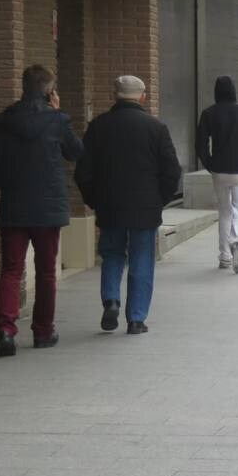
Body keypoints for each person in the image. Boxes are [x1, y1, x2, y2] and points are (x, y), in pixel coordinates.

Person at [0, 65, 83, 356]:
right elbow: (76, 152)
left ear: (24, 87)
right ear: (50, 91)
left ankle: (6, 330)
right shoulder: (57, 120)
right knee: (46, 271)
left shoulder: (3, 122)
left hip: (13, 206)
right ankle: (43, 332)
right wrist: (59, 114)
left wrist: (7, 183)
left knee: (11, 269)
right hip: (47, 209)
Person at [75, 76, 181, 335]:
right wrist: (160, 199)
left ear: (115, 95)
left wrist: (94, 200)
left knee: (112, 254)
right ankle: (136, 318)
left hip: (110, 206)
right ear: (142, 96)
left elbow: (83, 171)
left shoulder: (98, 126)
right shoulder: (156, 128)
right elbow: (172, 170)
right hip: (145, 207)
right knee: (142, 259)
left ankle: (111, 300)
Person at [196, 75, 238, 273]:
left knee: (224, 212)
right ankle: (237, 241)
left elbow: (200, 144)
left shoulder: (208, 114)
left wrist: (210, 164)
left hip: (220, 171)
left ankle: (225, 257)